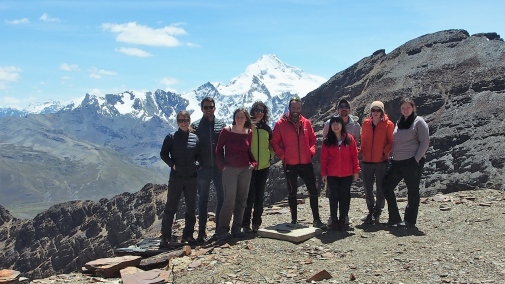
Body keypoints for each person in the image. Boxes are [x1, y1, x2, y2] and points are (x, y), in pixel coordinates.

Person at [271, 97, 326, 229]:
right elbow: (274, 142)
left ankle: (316, 219)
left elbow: (312, 139)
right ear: (289, 108)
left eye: (298, 108)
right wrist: (284, 156)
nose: (296, 110)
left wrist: (311, 152)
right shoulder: (280, 124)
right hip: (290, 164)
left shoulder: (306, 122)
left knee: (313, 190)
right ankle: (294, 220)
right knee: (292, 192)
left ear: (301, 108)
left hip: (306, 162)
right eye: (293, 108)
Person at [382, 98, 430, 228]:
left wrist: (416, 159)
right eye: (403, 108)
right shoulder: (400, 121)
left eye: (408, 107)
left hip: (412, 161)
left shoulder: (418, 122)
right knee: (386, 186)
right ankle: (394, 217)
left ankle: (409, 221)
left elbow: (425, 142)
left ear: (413, 108)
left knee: (412, 191)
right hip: (397, 161)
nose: (405, 110)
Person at [159, 110, 201, 247]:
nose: (183, 123)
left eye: (186, 120)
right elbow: (163, 154)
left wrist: (197, 165)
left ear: (189, 121)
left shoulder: (195, 138)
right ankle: (165, 236)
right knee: (170, 207)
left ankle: (188, 235)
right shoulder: (171, 137)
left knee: (191, 208)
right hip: (176, 178)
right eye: (181, 120)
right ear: (177, 122)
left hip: (191, 178)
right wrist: (172, 165)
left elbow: (199, 155)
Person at [215, 108, 257, 240]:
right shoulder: (227, 131)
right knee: (229, 200)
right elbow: (218, 150)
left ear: (246, 119)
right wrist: (222, 167)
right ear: (234, 117)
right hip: (230, 170)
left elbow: (248, 150)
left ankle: (236, 229)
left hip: (245, 170)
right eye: (237, 116)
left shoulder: (249, 132)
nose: (239, 119)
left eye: (242, 117)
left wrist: (253, 164)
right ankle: (222, 230)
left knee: (242, 200)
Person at [190, 97, 226, 243]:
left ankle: (219, 229)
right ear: (201, 109)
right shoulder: (196, 126)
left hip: (218, 168)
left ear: (215, 108)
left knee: (222, 199)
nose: (209, 109)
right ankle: (201, 232)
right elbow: (191, 147)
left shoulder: (221, 125)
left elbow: (226, 145)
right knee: (202, 200)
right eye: (206, 107)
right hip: (203, 169)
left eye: (211, 107)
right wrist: (197, 163)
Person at [322, 98, 361, 225]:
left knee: (345, 196)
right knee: (333, 196)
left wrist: (356, 171)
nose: (336, 126)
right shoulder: (327, 141)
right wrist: (324, 173)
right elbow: (323, 158)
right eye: (334, 124)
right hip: (332, 173)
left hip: (347, 173)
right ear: (330, 126)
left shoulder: (349, 139)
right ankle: (333, 218)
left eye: (338, 124)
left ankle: (344, 217)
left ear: (342, 125)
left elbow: (354, 156)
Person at [360, 101, 394, 224]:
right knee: (367, 189)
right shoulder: (366, 123)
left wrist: (385, 152)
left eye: (378, 110)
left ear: (382, 111)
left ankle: (377, 212)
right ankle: (371, 211)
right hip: (367, 161)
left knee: (380, 188)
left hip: (381, 162)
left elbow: (391, 141)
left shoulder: (388, 124)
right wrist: (362, 150)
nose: (375, 113)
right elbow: (363, 138)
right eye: (373, 110)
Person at [242, 101, 273, 233]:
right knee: (249, 196)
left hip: (264, 167)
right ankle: (245, 224)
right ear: (252, 111)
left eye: (261, 110)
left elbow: (271, 145)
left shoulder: (267, 129)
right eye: (256, 110)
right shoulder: (247, 127)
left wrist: (269, 157)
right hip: (249, 167)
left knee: (259, 196)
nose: (259, 112)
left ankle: (256, 223)